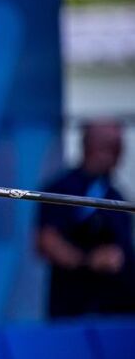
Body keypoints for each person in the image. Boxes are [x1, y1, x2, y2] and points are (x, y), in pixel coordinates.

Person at [35, 119, 135, 317]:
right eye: (112, 148)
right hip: (77, 310)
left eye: (119, 148)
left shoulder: (115, 195)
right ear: (91, 147)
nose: (118, 155)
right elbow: (47, 241)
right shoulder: (62, 189)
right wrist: (89, 260)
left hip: (120, 311)